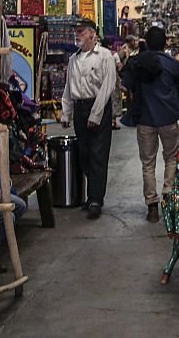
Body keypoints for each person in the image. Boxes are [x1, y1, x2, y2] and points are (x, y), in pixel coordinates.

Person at [123, 26, 179, 223]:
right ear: (165, 43)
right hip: (168, 119)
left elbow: (125, 83)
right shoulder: (171, 63)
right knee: (171, 158)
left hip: (144, 119)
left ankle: (152, 206)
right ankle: (168, 196)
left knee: (148, 163)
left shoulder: (136, 62)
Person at [60, 19, 117, 219]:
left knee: (98, 154)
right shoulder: (73, 59)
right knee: (84, 154)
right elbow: (68, 88)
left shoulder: (104, 57)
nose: (78, 34)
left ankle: (96, 199)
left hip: (98, 106)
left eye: (81, 31)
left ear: (92, 34)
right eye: (76, 31)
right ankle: (91, 195)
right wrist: (65, 112)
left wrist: (96, 114)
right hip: (80, 108)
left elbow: (108, 87)